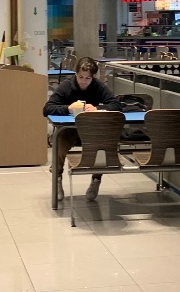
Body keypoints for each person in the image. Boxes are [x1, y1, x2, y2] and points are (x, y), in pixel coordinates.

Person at [43, 57, 123, 201]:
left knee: (103, 144)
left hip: (91, 129)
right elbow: (47, 109)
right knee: (59, 142)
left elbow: (116, 105)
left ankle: (96, 179)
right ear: (76, 74)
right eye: (81, 77)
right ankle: (58, 178)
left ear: (93, 78)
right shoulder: (66, 86)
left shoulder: (97, 86)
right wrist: (67, 108)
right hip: (69, 129)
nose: (84, 81)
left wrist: (97, 108)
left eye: (88, 78)